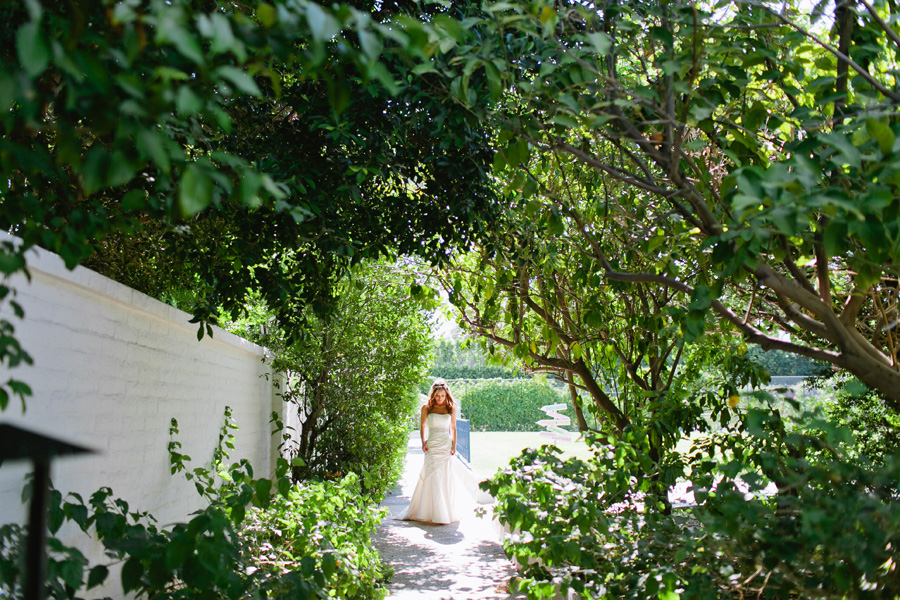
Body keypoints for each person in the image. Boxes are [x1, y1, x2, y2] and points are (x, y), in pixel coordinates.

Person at [398, 378, 470, 524]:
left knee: (443, 477)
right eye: (437, 396)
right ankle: (430, 512)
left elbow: (453, 428)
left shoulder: (450, 408)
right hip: (432, 445)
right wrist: (423, 442)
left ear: (446, 395)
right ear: (433, 395)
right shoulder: (426, 408)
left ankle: (444, 512)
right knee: (432, 476)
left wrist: (454, 445)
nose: (440, 398)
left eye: (442, 396)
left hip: (445, 445)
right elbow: (422, 426)